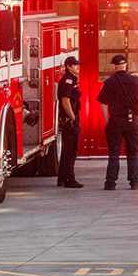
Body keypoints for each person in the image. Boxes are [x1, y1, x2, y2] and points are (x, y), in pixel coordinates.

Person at [97, 54, 138, 190]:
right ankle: (135, 182)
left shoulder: (109, 82)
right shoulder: (134, 80)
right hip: (132, 121)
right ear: (125, 65)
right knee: (133, 152)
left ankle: (110, 183)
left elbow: (103, 104)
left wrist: (108, 120)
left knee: (114, 152)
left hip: (115, 120)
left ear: (114, 66)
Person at [54, 56, 83, 189]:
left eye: (78, 65)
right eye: (75, 65)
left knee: (67, 150)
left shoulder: (71, 79)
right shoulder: (68, 80)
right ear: (68, 66)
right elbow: (66, 101)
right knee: (70, 151)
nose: (78, 67)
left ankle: (62, 179)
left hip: (69, 119)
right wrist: (73, 119)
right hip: (69, 121)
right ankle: (69, 179)